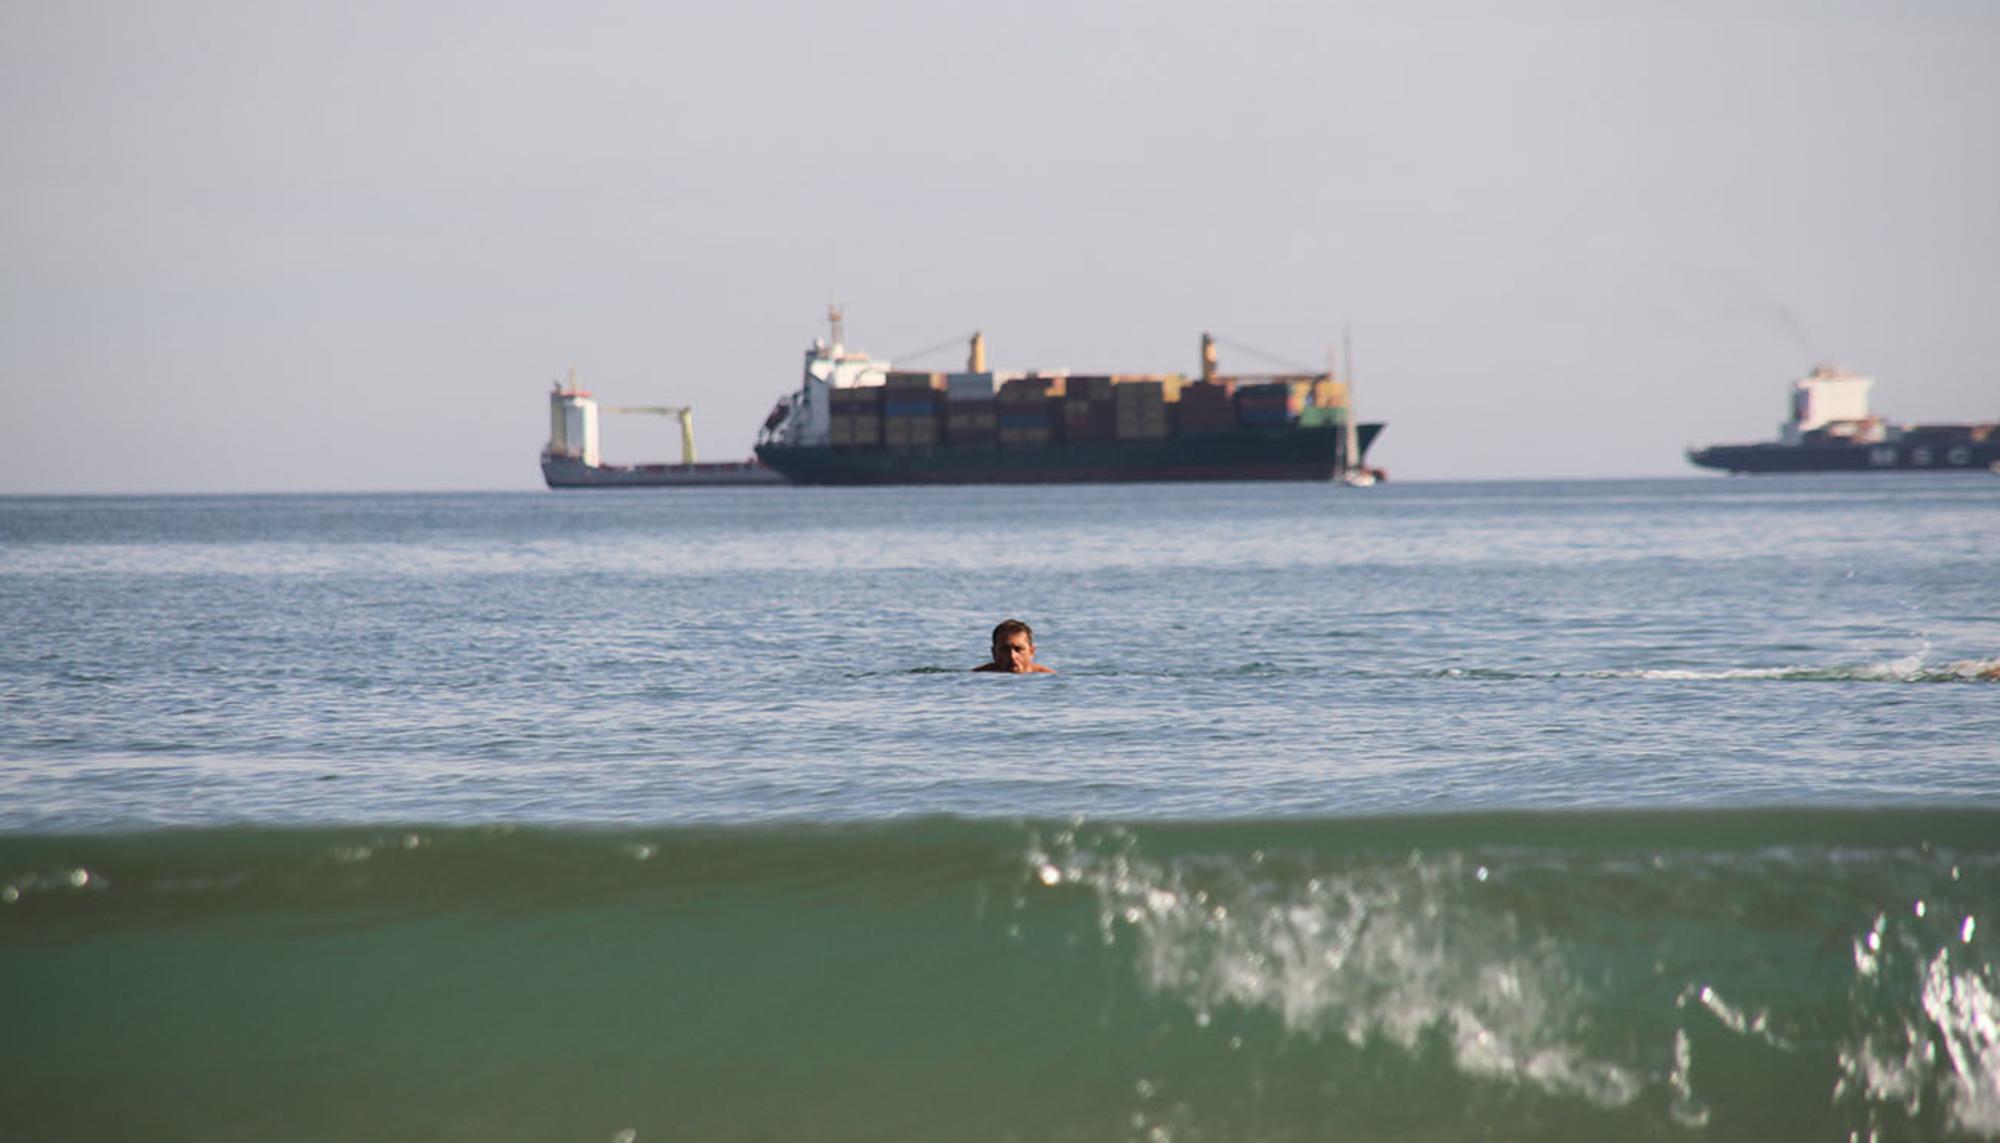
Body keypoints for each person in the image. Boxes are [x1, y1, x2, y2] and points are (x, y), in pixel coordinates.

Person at [974, 618, 1055, 674]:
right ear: (994, 653)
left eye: (1018, 649)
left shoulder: (1048, 676)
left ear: (1031, 652)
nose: (1012, 656)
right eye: (1005, 649)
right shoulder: (979, 675)